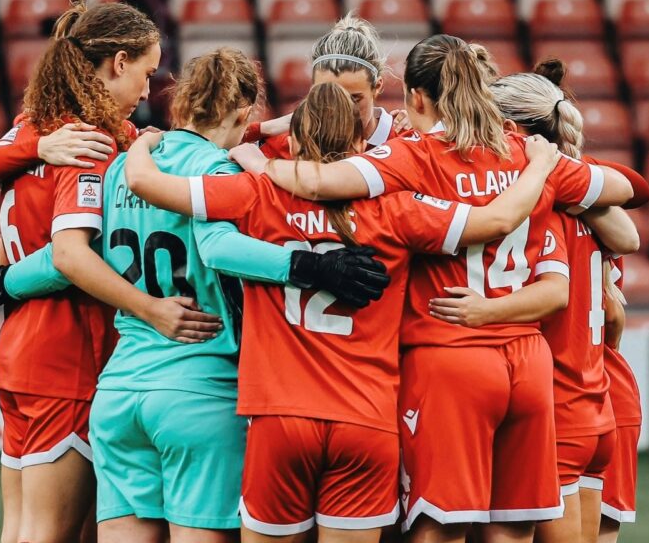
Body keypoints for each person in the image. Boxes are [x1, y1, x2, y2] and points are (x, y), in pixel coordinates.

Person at [229, 34, 636, 543]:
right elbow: (630, 193)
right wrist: (548, 168)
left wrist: (260, 162)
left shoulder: (411, 157)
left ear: (408, 95)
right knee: (513, 529)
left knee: (439, 527)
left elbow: (315, 185)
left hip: (443, 361)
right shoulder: (523, 160)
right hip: (530, 365)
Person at [122, 81, 565, 543]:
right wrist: (536, 166)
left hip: (279, 418)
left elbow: (146, 184)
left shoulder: (255, 194)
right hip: (365, 418)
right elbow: (492, 220)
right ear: (360, 148)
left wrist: (144, 142)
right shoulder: (397, 209)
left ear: (292, 144)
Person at [0, 48, 390, 543]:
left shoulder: (121, 169)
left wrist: (4, 282)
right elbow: (218, 247)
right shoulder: (221, 171)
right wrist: (309, 266)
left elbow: (64, 256)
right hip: (199, 392)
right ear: (244, 113)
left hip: (119, 393)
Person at [0, 1, 166, 543]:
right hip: (68, 356)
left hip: (19, 353)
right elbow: (71, 255)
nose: (150, 91)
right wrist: (152, 310)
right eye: (147, 73)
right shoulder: (89, 145)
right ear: (118, 62)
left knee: (21, 528)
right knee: (52, 535)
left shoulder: (35, 128)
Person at [430, 61, 646, 543]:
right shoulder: (592, 207)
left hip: (554, 404)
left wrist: (482, 311)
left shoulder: (534, 209)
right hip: (603, 399)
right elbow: (613, 310)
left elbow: (557, 295)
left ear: (514, 131)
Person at [241, 12, 403, 155]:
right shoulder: (293, 143)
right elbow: (220, 147)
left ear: (377, 87)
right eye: (329, 97)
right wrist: (265, 128)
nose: (342, 111)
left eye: (354, 99)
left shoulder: (406, 140)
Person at [597, 257, 643, 543]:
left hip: (595, 391)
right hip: (612, 388)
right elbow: (613, 317)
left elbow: (613, 315)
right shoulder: (606, 231)